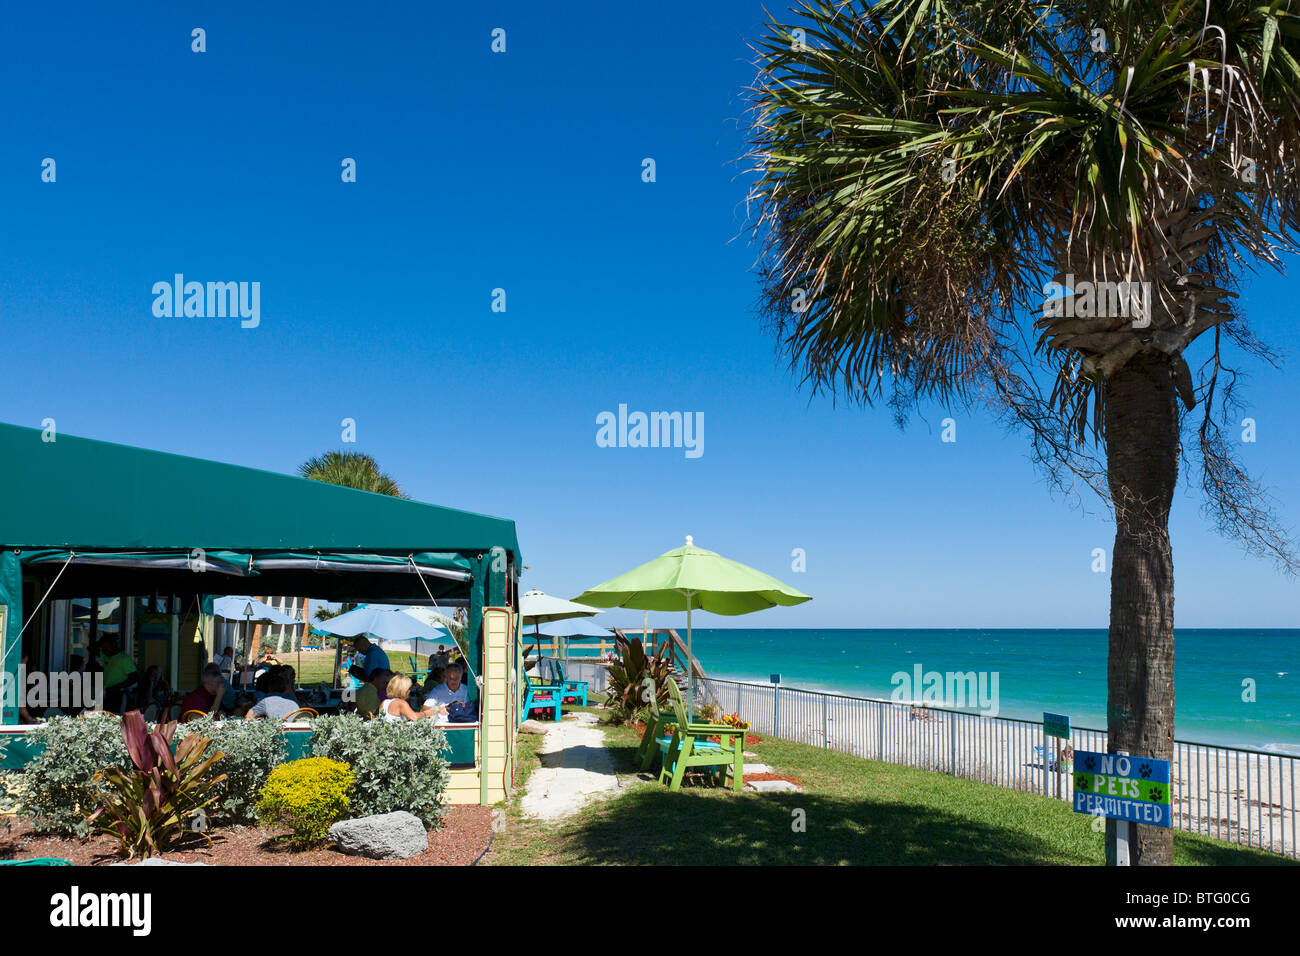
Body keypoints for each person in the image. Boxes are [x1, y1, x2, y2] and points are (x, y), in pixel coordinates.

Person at [97, 637, 138, 714]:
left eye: (106, 648)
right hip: (107, 693)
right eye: (102, 649)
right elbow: (91, 648)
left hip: (118, 694)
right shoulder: (108, 657)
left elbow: (134, 678)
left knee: (115, 716)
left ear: (113, 645)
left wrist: (116, 687)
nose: (104, 651)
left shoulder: (124, 659)